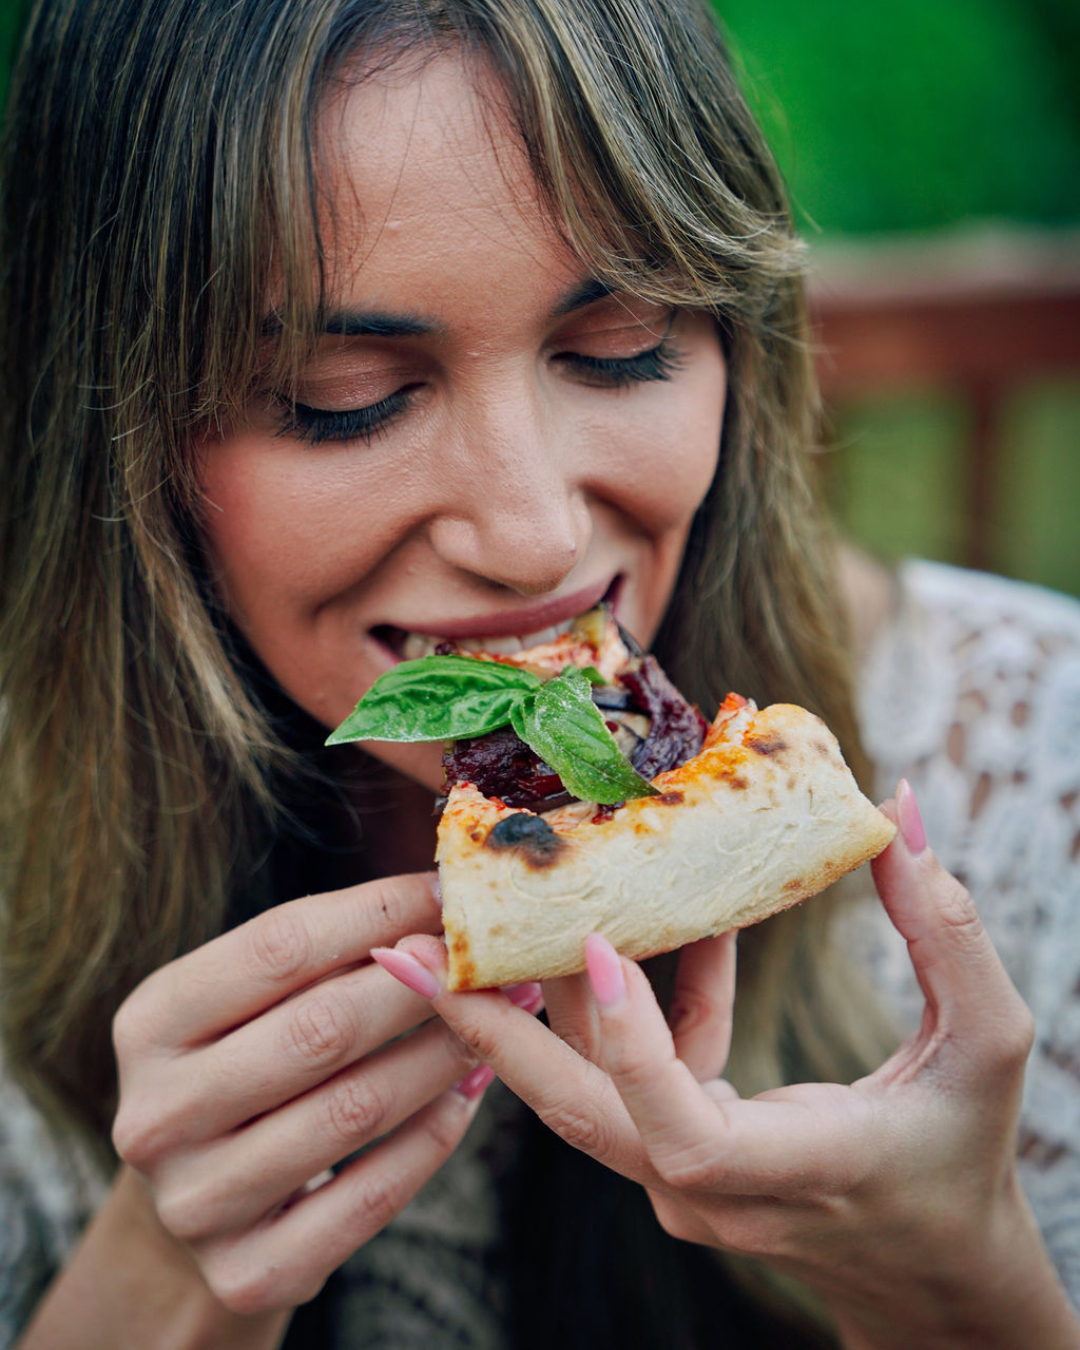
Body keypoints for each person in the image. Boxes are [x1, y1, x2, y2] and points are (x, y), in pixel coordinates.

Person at [1, 1, 1078, 1346]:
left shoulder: (1049, 770)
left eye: (622, 344)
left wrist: (963, 1299)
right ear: (116, 423)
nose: (534, 535)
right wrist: (158, 1287)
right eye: (344, 393)